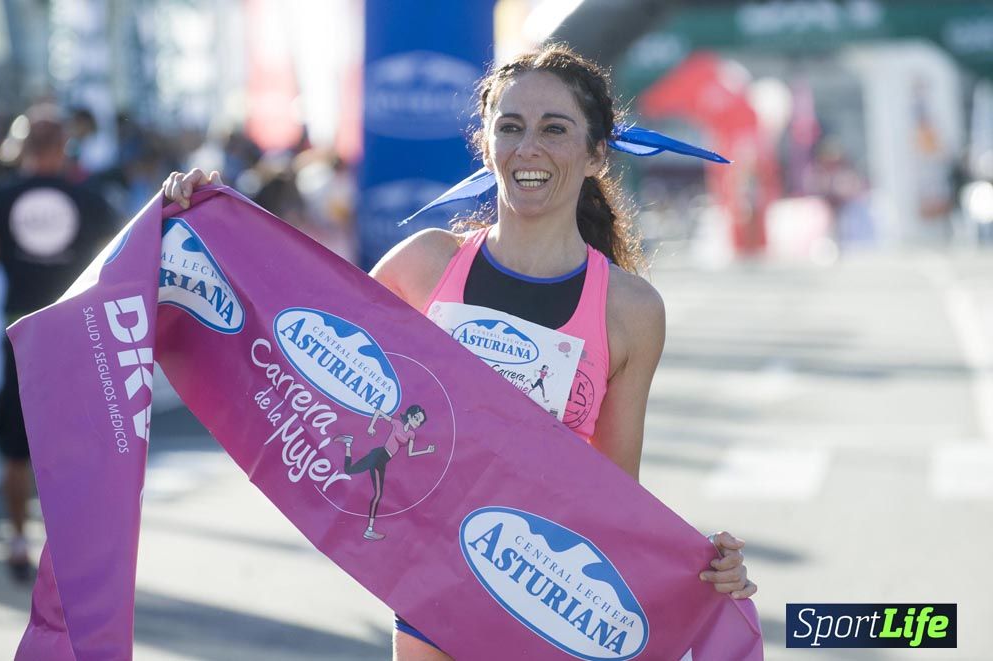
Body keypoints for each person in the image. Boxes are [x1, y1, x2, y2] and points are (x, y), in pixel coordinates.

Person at [164, 43, 756, 661]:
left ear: (596, 155)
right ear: (487, 144)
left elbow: (615, 499)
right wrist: (206, 226)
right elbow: (298, 336)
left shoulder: (629, 311)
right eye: (511, 127)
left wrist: (701, 568)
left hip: (543, 594)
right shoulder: (425, 264)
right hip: (433, 587)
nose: (528, 148)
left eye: (555, 129)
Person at [0, 104, 119, 581]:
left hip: (20, 332)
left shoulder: (1, 198)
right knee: (77, 443)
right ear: (65, 147)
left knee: (16, 446)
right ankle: (72, 546)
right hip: (76, 332)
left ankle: (19, 540)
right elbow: (115, 263)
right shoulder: (90, 199)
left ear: (21, 147)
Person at [340, 403, 434, 541]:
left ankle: (348, 443)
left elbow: (410, 453)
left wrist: (426, 450)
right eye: (416, 418)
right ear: (409, 416)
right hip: (379, 455)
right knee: (375, 492)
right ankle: (369, 530)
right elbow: (378, 412)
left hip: (382, 460)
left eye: (420, 422)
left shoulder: (411, 434)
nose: (417, 423)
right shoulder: (397, 423)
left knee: (352, 473)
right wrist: (371, 426)